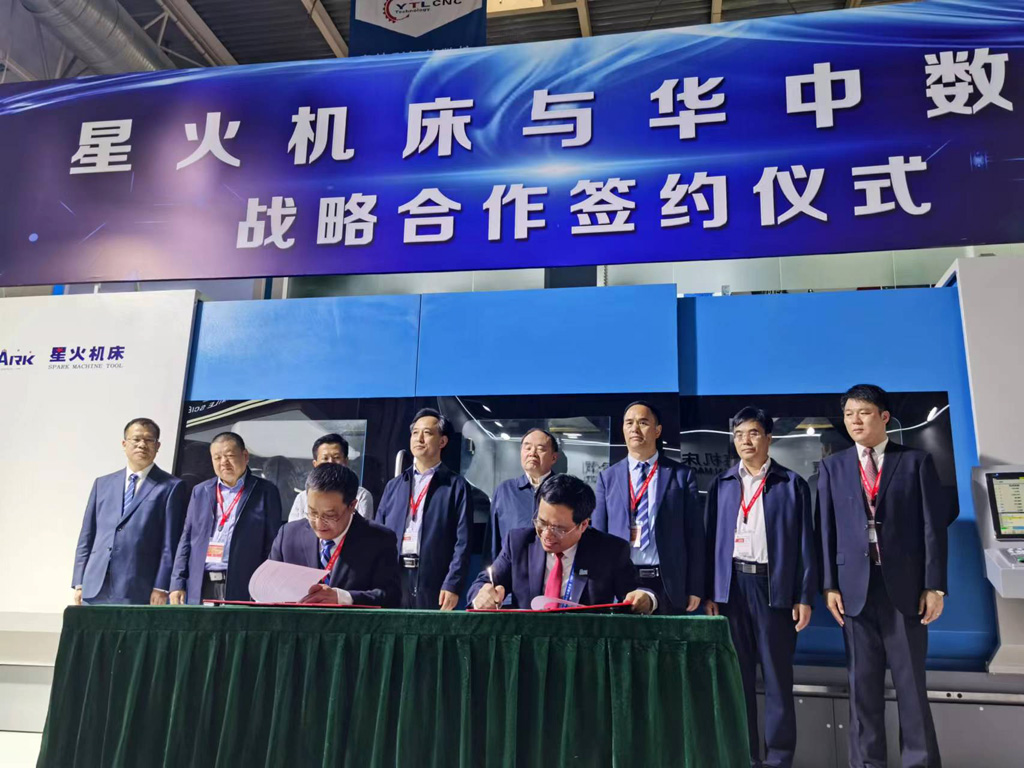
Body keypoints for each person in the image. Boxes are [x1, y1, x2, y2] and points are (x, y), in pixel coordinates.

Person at [819, 384, 953, 768]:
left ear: (884, 417)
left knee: (911, 688)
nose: (855, 421)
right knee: (862, 689)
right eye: (849, 414)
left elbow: (932, 529)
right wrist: (829, 585)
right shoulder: (832, 466)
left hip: (905, 591)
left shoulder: (914, 462)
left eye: (863, 413)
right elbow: (825, 530)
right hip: (854, 591)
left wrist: (935, 586)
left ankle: (919, 762)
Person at [705, 407, 817, 768]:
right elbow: (710, 542)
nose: (745, 441)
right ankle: (746, 756)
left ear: (769, 438)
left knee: (777, 679)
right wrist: (712, 592)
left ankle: (779, 759)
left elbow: (806, 545)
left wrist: (804, 596)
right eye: (739, 435)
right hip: (732, 588)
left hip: (774, 588)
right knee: (736, 680)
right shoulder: (723, 484)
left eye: (753, 433)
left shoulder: (791, 484)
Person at [469, 474, 655, 613]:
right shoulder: (519, 543)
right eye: (541, 523)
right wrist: (482, 596)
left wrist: (645, 598)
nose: (546, 534)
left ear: (583, 525)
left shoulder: (610, 551)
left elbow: (637, 592)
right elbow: (484, 583)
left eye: (559, 529)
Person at [592, 401, 704, 614]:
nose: (634, 428)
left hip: (668, 582)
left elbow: (695, 536)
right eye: (629, 423)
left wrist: (695, 587)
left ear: (657, 430)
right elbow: (598, 536)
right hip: (621, 581)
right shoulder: (608, 478)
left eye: (643, 422)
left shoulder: (681, 475)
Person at [72, 418, 187, 605]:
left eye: (149, 440)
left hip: (138, 586)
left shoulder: (171, 486)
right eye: (136, 439)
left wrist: (161, 586)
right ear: (124, 444)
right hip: (95, 585)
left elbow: (170, 543)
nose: (142, 445)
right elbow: (87, 535)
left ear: (157, 446)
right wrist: (79, 582)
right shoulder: (102, 484)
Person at [169, 432, 282, 604]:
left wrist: (265, 586)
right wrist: (177, 582)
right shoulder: (200, 491)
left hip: (243, 584)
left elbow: (272, 544)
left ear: (245, 456)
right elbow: (187, 538)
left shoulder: (265, 491)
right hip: (201, 584)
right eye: (217, 457)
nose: (223, 462)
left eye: (229, 456)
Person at [269, 463, 400, 607]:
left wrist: (343, 597)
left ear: (352, 506)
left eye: (329, 515)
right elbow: (267, 586)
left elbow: (390, 597)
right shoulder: (288, 536)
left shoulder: (379, 540)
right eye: (312, 512)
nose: (319, 523)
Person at [378, 408, 471, 610]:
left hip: (434, 581)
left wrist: (453, 584)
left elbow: (463, 542)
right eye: (415, 433)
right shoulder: (394, 486)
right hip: (394, 578)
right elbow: (378, 534)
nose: (419, 439)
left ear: (442, 441)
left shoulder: (456, 486)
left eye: (427, 433)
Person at [483, 428, 560, 565]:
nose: (532, 453)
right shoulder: (505, 491)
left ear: (554, 457)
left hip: (554, 569)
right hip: (512, 570)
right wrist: (490, 574)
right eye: (527, 448)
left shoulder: (565, 490)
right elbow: (492, 542)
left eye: (540, 449)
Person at [288, 433, 374, 523]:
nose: (331, 462)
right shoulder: (302, 498)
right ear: (315, 464)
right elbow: (293, 529)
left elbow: (362, 529)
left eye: (336, 457)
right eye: (325, 458)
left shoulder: (361, 496)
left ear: (346, 461)